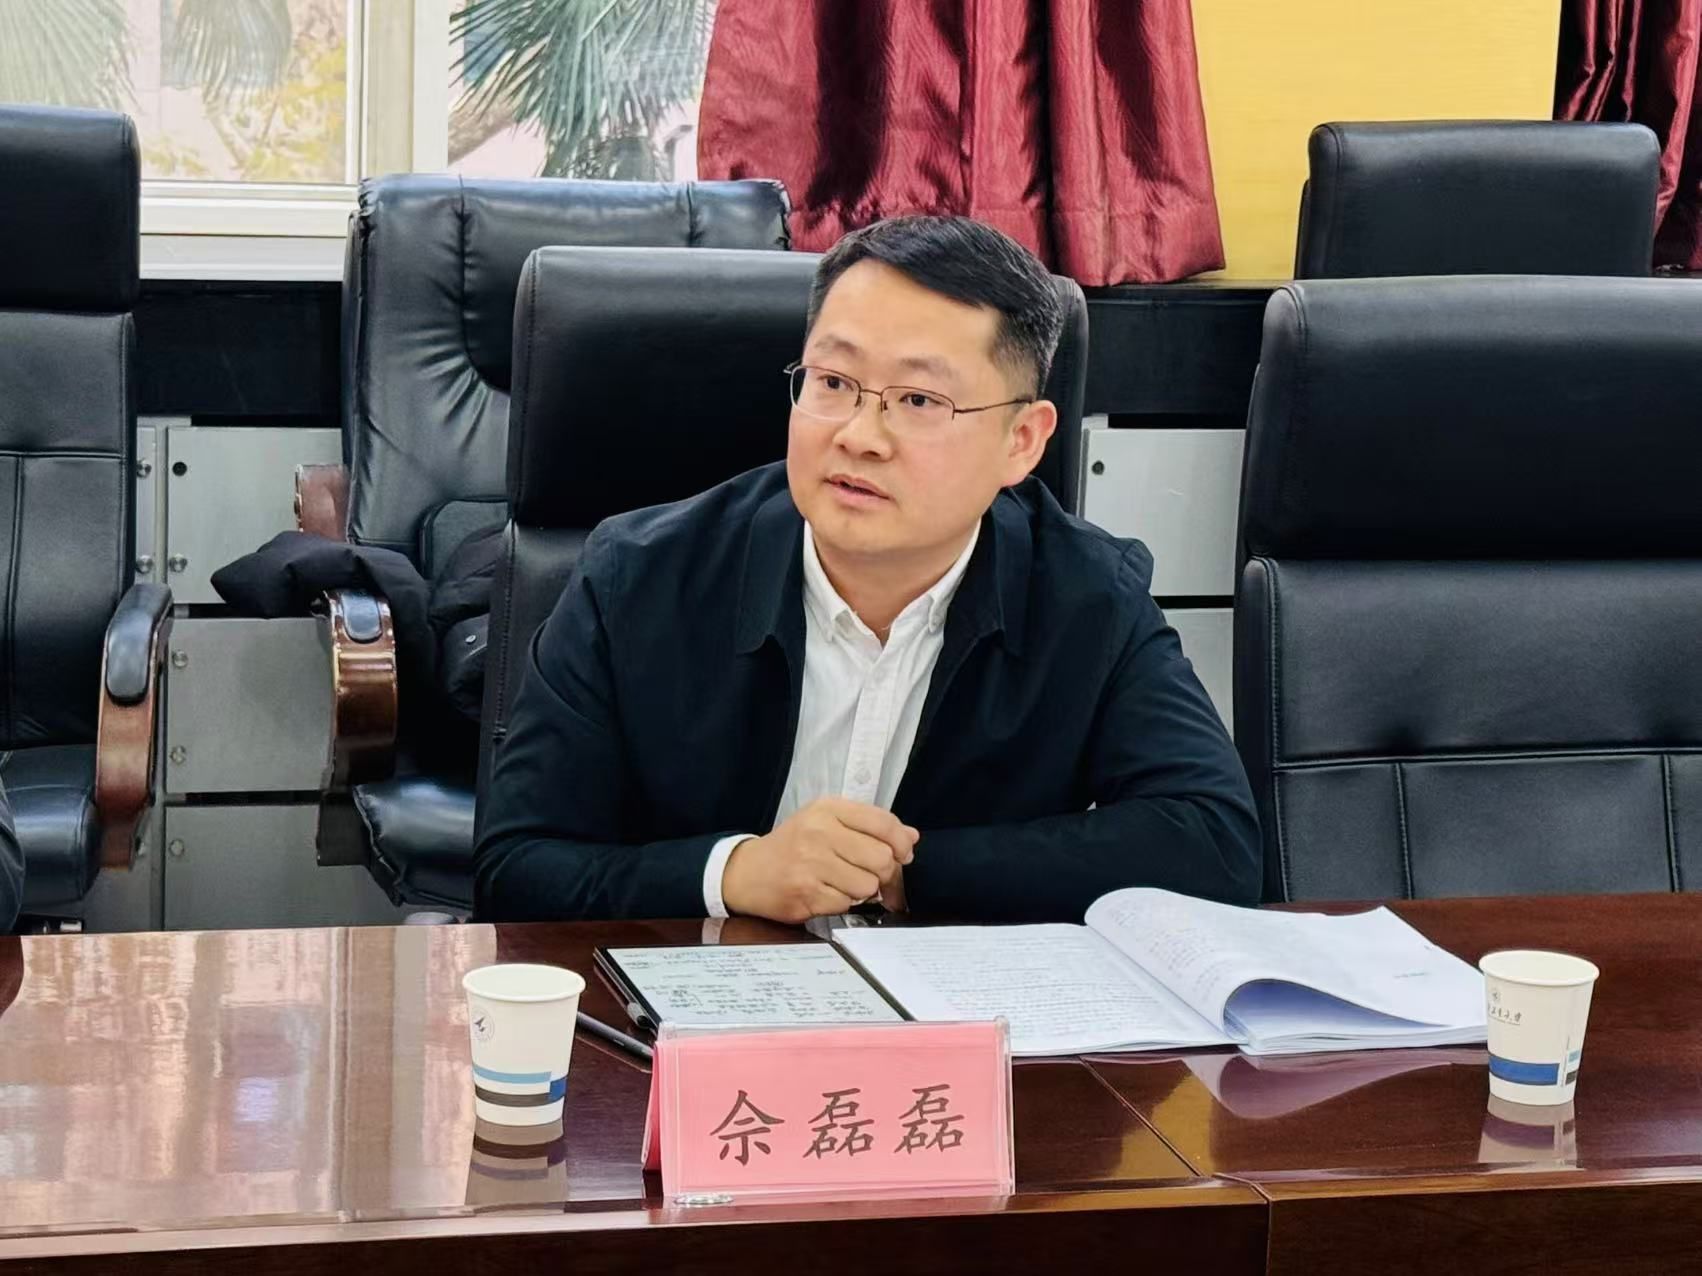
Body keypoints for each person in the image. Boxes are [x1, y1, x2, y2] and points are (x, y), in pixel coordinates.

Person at [476, 215, 1259, 924]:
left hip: (954, 1022)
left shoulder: (1087, 597)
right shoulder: (639, 578)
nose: (859, 435)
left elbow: (1213, 845)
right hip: (684, 1016)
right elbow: (516, 868)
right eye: (833, 383)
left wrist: (910, 875)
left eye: (918, 401)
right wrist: (733, 873)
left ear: (1022, 441)